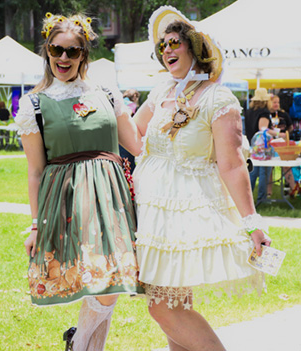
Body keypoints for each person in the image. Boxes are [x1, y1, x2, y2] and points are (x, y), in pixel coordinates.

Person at [132, 6, 271, 351]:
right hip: (150, 211)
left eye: (174, 42)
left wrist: (251, 221)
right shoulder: (161, 91)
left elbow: (233, 164)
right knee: (177, 306)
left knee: (164, 308)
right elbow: (133, 135)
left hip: (186, 215)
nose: (166, 50)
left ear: (195, 47)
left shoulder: (218, 98)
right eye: (162, 46)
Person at [15, 12, 143, 351]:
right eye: (57, 50)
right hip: (70, 200)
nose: (63, 58)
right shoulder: (34, 105)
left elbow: (138, 146)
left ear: (83, 54)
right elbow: (35, 171)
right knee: (102, 282)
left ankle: (80, 343)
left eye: (72, 51)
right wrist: (34, 224)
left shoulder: (106, 92)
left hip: (114, 197)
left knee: (113, 282)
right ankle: (82, 344)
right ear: (47, 51)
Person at [245, 88, 285, 203]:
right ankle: (262, 199)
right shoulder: (264, 112)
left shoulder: (249, 111)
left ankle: (248, 198)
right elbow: (262, 129)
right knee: (264, 171)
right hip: (262, 146)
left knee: (253, 171)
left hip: (251, 144)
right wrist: (278, 133)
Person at [267, 94, 296, 197]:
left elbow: (290, 127)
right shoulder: (265, 115)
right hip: (269, 144)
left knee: (287, 166)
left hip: (283, 144)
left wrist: (286, 134)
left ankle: (294, 190)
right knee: (269, 168)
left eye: (278, 102)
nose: (276, 104)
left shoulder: (283, 114)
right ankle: (268, 193)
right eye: (274, 102)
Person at [119, 89, 141, 172]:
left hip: (117, 136)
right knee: (128, 163)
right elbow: (127, 114)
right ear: (134, 96)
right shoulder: (130, 104)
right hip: (126, 135)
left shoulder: (120, 102)